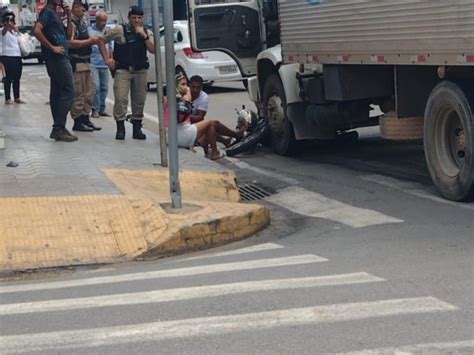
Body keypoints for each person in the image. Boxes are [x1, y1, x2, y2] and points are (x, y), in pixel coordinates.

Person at [98, 5, 154, 140]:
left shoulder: (146, 32)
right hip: (123, 70)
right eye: (133, 17)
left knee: (139, 100)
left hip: (140, 71)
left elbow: (153, 50)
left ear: (142, 18)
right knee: (121, 98)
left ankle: (137, 128)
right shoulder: (119, 30)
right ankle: (120, 128)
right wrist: (107, 59)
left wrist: (144, 36)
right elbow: (101, 40)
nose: (136, 20)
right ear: (129, 17)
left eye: (139, 18)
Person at [171, 74, 247, 160]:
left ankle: (227, 140)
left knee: (212, 124)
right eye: (184, 85)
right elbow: (183, 117)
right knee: (210, 124)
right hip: (182, 131)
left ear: (201, 87)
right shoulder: (181, 97)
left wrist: (188, 117)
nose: (195, 90)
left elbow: (200, 117)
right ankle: (217, 150)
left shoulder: (202, 97)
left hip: (187, 127)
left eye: (198, 87)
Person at [34, 0, 77, 142]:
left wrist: (69, 15)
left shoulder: (55, 13)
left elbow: (68, 36)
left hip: (62, 55)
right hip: (56, 58)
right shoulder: (47, 11)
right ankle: (58, 128)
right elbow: (37, 30)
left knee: (57, 92)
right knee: (69, 90)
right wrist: (52, 47)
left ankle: (60, 127)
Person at [68, 0, 101, 132]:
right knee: (79, 93)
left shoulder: (82, 22)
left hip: (87, 61)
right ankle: (78, 121)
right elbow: (69, 42)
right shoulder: (71, 23)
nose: (84, 13)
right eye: (82, 10)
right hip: (77, 62)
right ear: (75, 8)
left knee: (89, 93)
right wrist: (88, 41)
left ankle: (85, 118)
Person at [88, 10, 112, 118]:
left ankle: (102, 109)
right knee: (95, 87)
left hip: (105, 64)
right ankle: (95, 109)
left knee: (104, 87)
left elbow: (110, 47)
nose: (103, 23)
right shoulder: (89, 31)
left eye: (105, 20)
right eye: (101, 20)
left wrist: (111, 60)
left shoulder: (107, 32)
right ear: (96, 20)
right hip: (93, 63)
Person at [1, 11, 25, 105]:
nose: (11, 22)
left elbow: (21, 37)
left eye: (12, 20)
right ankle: (7, 98)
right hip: (7, 56)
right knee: (8, 77)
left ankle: (17, 97)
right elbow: (4, 31)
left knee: (17, 77)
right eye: (8, 20)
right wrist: (7, 25)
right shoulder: (2, 31)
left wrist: (15, 29)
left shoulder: (15, 31)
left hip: (17, 55)